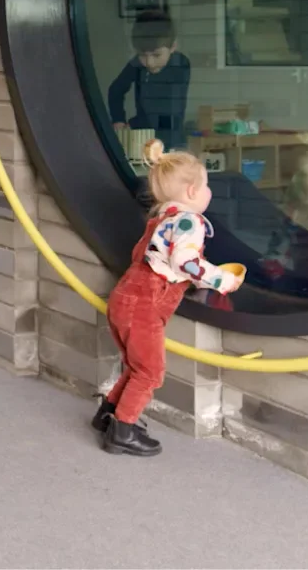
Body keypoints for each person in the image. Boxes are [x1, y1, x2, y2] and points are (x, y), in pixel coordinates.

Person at [93, 138, 243, 456]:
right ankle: (123, 431)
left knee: (135, 366)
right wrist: (223, 280)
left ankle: (110, 415)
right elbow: (185, 262)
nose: (208, 193)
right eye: (206, 186)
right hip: (144, 306)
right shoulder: (189, 221)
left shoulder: (160, 219)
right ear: (191, 191)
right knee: (149, 372)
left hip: (125, 299)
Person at [107, 14, 192, 150]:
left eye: (156, 55)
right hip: (144, 140)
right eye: (142, 55)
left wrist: (133, 124)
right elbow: (116, 89)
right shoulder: (137, 65)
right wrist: (118, 119)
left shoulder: (180, 65)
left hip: (171, 140)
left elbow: (164, 108)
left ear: (173, 47)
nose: (149, 62)